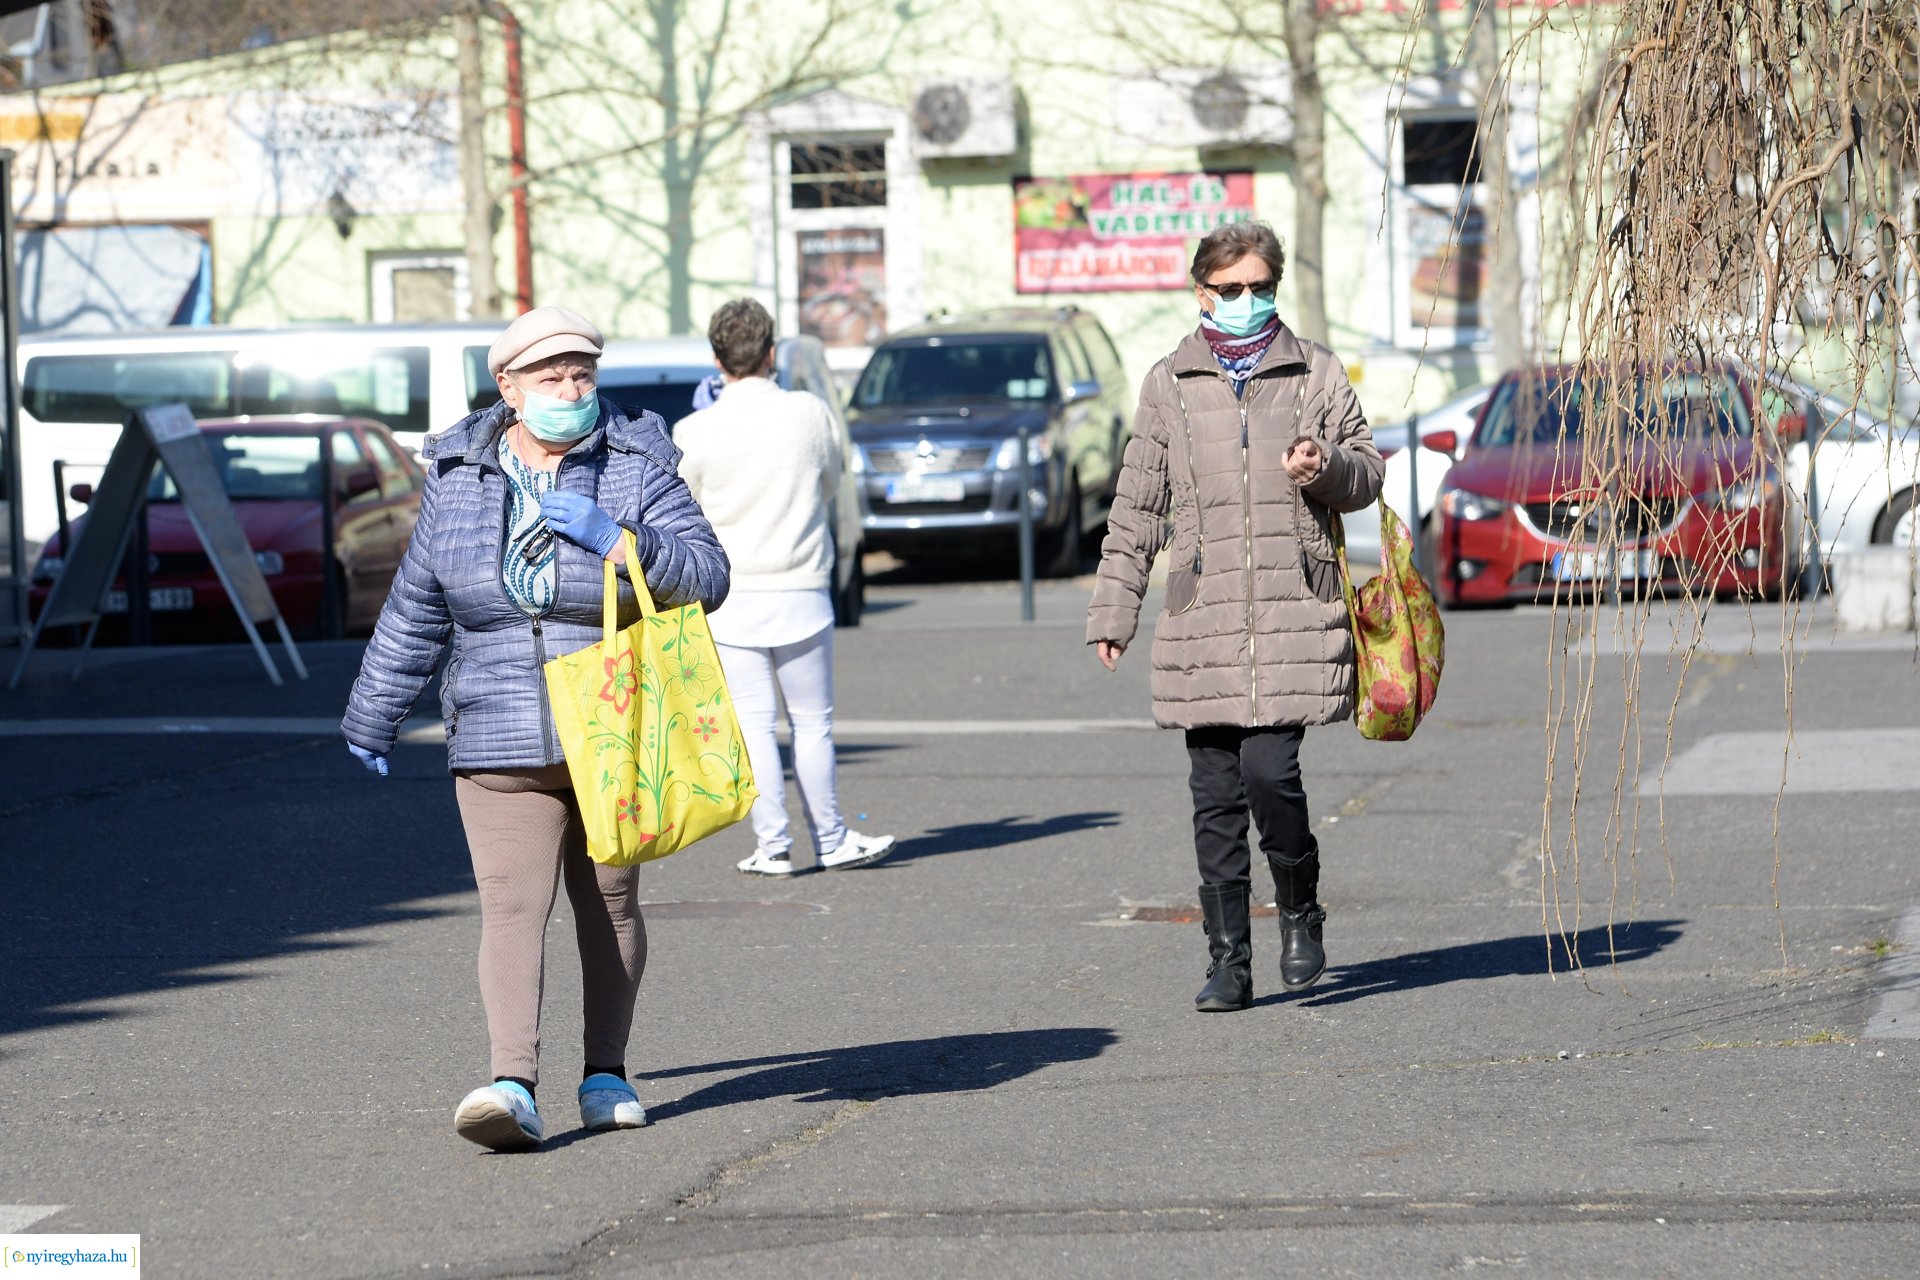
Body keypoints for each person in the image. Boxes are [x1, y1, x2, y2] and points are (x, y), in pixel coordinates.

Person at [341, 306, 731, 1149]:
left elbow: (709, 573)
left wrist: (623, 542)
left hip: (618, 727)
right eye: (550, 378)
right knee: (512, 908)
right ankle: (511, 1085)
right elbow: (417, 606)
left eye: (582, 375)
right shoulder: (458, 476)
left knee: (611, 905)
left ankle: (606, 1074)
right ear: (508, 389)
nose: (570, 391)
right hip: (498, 730)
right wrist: (374, 713)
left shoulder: (637, 467)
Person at [1086, 222, 1384, 1013]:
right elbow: (1138, 504)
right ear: (1201, 292)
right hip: (1202, 614)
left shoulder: (1315, 369)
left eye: (1260, 287)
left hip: (1294, 608)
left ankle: (1299, 907)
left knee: (1269, 773)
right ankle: (1229, 960)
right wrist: (1115, 608)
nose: (1247, 301)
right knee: (1214, 795)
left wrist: (1326, 468)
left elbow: (1368, 471)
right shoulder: (1168, 383)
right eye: (1231, 289)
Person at [674, 298, 895, 875]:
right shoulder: (809, 413)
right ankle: (832, 838)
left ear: (717, 360)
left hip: (729, 597)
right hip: (800, 587)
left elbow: (684, 510)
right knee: (813, 723)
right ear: (772, 352)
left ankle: (772, 846)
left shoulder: (694, 429)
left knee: (752, 725)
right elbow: (828, 483)